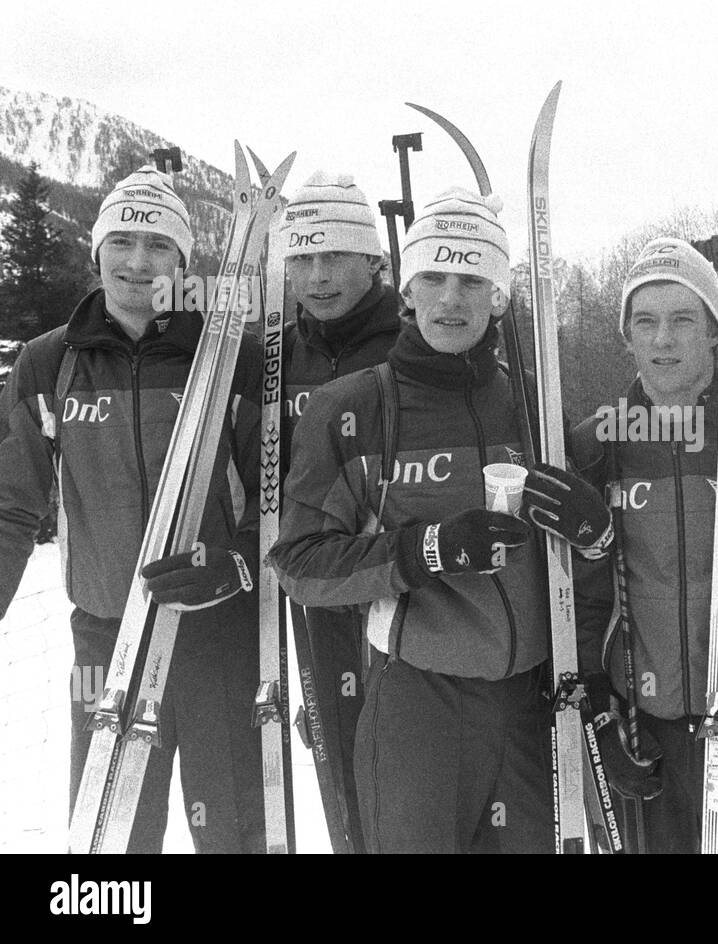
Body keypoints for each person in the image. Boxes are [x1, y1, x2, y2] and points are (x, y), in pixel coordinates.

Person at [269, 188, 610, 853]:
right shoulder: (355, 409)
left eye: (472, 279)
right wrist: (427, 550)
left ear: (499, 295)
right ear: (407, 291)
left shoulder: (536, 403)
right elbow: (302, 565)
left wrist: (593, 530)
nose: (452, 297)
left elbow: (587, 559)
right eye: (434, 276)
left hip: (530, 704)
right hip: (420, 703)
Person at [0, 166, 265, 853]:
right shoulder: (48, 362)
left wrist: (235, 564)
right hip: (104, 634)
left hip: (216, 635)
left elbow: (277, 500)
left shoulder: (229, 357)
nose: (138, 261)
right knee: (108, 833)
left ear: (183, 261)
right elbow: (10, 504)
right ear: (97, 252)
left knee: (232, 826)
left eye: (158, 245)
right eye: (121, 241)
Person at [571, 237, 718, 854]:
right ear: (626, 335)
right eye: (645, 322)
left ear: (715, 331)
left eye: (683, 319)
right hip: (641, 736)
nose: (663, 339)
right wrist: (599, 716)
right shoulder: (595, 445)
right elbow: (577, 597)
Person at [277, 171, 402, 853]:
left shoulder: (411, 346)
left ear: (374, 262)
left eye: (335, 257)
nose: (317, 276)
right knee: (342, 791)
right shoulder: (274, 354)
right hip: (314, 595)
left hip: (404, 591)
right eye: (302, 258)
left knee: (408, 786)